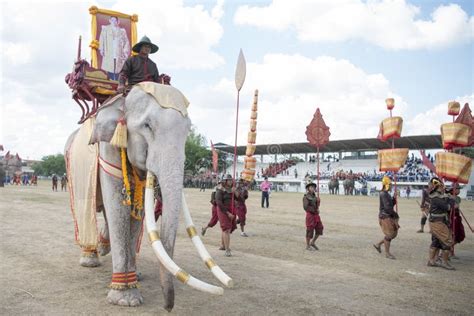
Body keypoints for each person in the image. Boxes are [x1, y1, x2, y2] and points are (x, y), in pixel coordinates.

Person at [427, 177, 456, 270]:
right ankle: (444, 262)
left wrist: (447, 197)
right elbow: (447, 207)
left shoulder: (438, 196)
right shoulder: (436, 197)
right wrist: (451, 199)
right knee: (447, 241)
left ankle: (431, 261)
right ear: (438, 186)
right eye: (442, 186)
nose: (443, 187)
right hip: (438, 222)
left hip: (438, 221)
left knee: (436, 242)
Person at [373, 176, 399, 259]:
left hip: (388, 216)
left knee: (391, 234)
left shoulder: (386, 194)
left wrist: (394, 198)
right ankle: (387, 254)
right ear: (386, 185)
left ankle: (378, 244)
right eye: (390, 184)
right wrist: (395, 215)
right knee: (390, 235)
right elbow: (388, 208)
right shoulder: (383, 194)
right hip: (385, 217)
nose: (391, 186)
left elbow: (391, 204)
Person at [98, 16, 130, 80]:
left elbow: (126, 42)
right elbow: (102, 39)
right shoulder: (105, 29)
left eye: (115, 20)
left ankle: (117, 82)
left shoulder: (122, 31)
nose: (114, 22)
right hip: (109, 51)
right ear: (109, 21)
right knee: (109, 67)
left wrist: (125, 52)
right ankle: (110, 81)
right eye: (112, 20)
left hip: (118, 52)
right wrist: (102, 48)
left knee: (118, 68)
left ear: (118, 22)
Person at [215, 174, 236, 257]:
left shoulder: (232, 190)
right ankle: (227, 250)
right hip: (223, 210)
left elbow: (240, 198)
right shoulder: (220, 190)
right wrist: (228, 213)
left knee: (227, 229)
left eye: (231, 180)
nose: (230, 182)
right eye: (229, 180)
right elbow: (219, 203)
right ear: (225, 181)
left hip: (231, 210)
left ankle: (223, 245)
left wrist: (236, 192)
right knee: (226, 229)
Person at [303, 181, 323, 251]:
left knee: (319, 228)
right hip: (310, 215)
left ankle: (313, 242)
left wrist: (318, 202)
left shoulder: (315, 197)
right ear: (308, 188)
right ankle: (308, 245)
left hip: (316, 215)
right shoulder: (306, 197)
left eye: (314, 187)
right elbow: (305, 207)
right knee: (310, 230)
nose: (313, 188)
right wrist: (314, 210)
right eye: (311, 187)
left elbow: (317, 206)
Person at [447, 183, 464, 259]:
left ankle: (450, 250)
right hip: (451, 218)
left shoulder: (457, 198)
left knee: (459, 235)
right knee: (452, 235)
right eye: (458, 189)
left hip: (457, 217)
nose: (459, 190)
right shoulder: (448, 197)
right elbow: (448, 208)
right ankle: (446, 250)